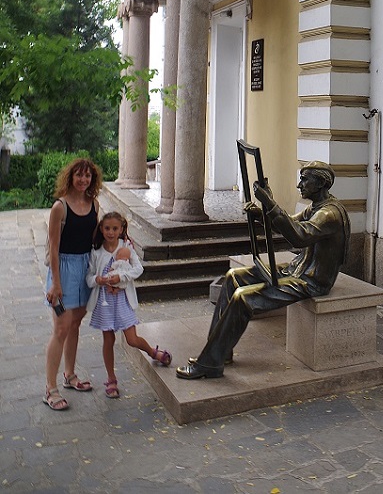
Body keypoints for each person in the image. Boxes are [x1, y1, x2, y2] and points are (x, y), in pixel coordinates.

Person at [176, 161, 350, 380]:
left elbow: (298, 235)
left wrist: (270, 202)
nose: (299, 185)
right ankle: (219, 351)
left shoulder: (329, 215)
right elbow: (288, 223)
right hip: (299, 270)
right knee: (232, 278)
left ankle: (210, 364)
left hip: (312, 281)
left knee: (244, 298)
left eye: (305, 179)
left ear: (322, 182)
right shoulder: (316, 207)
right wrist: (261, 212)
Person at [86, 211, 172, 398]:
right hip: (105, 302)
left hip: (122, 300)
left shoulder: (126, 248)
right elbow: (89, 278)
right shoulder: (96, 252)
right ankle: (111, 379)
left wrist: (121, 277)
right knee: (108, 340)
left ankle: (152, 352)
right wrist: (98, 280)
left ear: (121, 229)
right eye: (107, 228)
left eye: (115, 228)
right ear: (101, 229)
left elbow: (138, 269)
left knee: (132, 339)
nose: (110, 232)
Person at [44, 157, 101, 411]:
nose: (83, 179)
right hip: (64, 270)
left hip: (85, 267)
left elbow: (96, 241)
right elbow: (53, 249)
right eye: (79, 175)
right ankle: (50, 389)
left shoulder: (94, 205)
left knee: (75, 324)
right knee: (60, 329)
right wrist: (56, 284)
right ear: (70, 177)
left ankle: (69, 375)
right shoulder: (60, 207)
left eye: (87, 176)